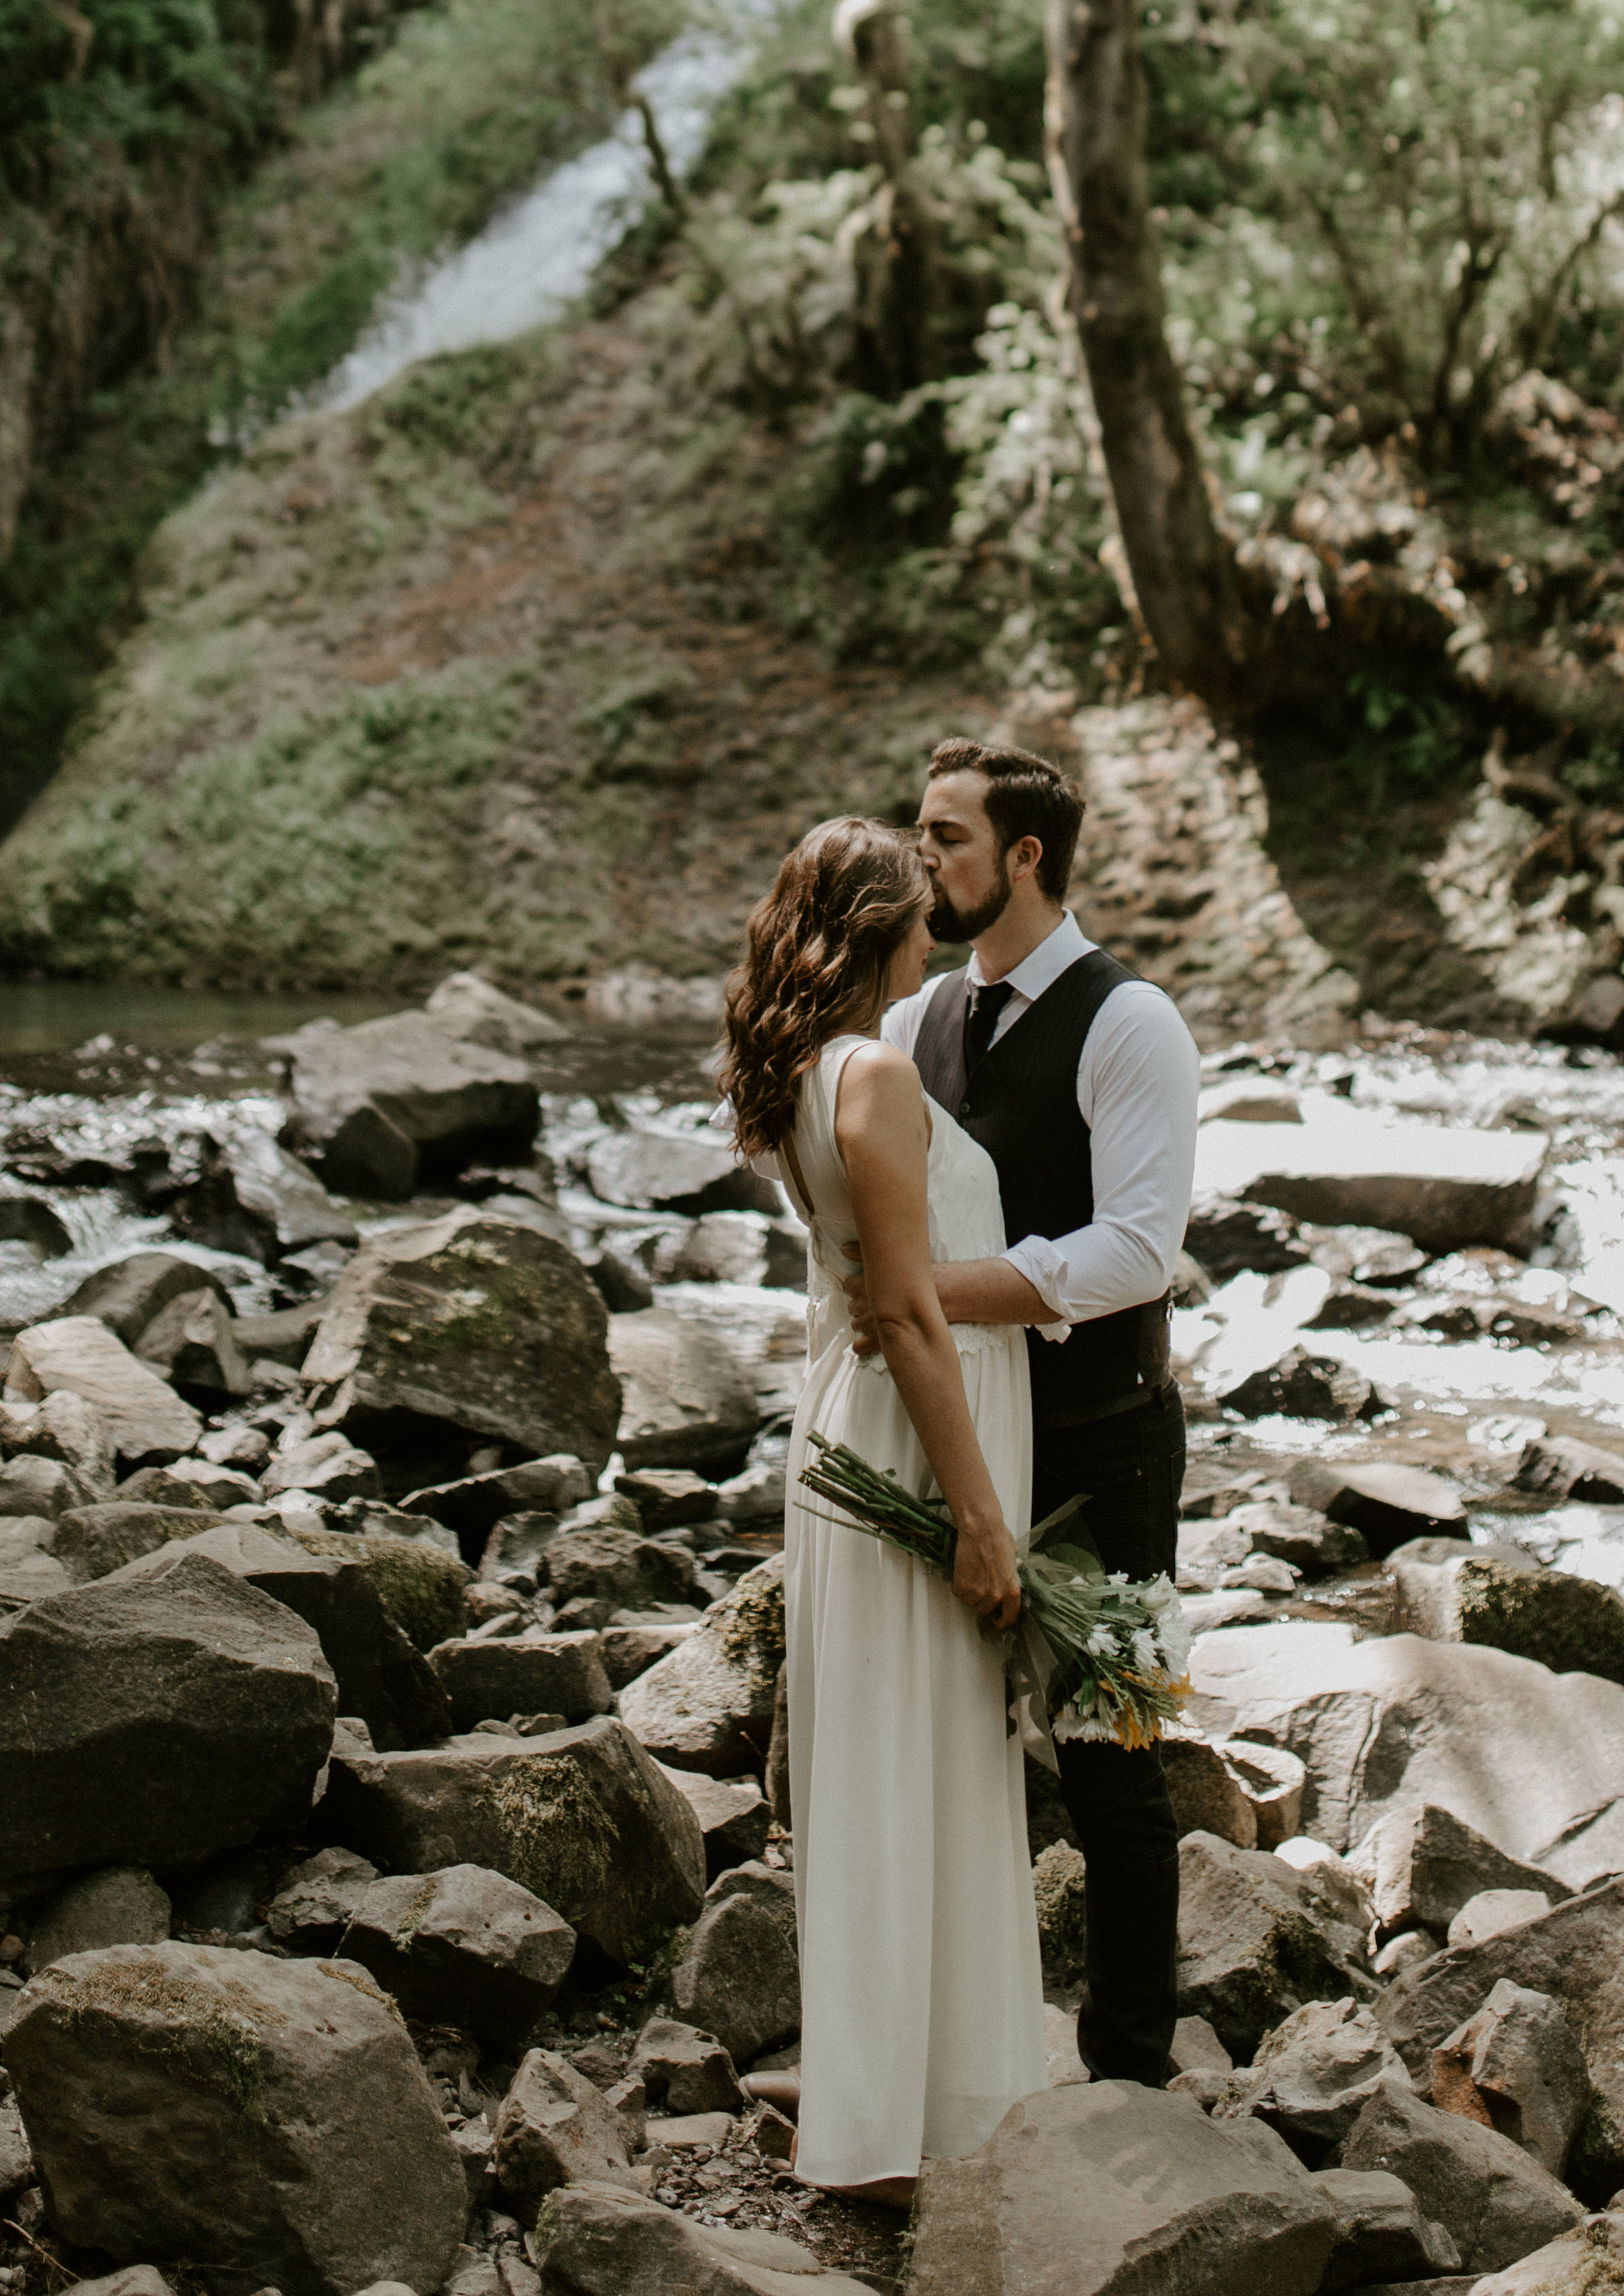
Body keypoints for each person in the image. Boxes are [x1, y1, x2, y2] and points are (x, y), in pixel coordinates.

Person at [855, 738, 1200, 2090]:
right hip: (953, 1444)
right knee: (938, 1753)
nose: (919, 859)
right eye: (921, 831)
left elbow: (1137, 1255)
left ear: (1026, 858)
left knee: (1116, 1757)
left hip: (1111, 1452)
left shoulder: (1133, 1023)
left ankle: (1129, 2074)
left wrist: (928, 1294)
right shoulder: (908, 1025)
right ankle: (947, 2053)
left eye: (945, 837)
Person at [717, 815, 1050, 2205]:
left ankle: (907, 2092)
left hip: (864, 1432)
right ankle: (900, 2125)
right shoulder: (874, 1079)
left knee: (891, 1762)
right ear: (871, 933)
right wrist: (979, 1516)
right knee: (919, 1761)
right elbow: (910, 1316)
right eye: (917, 915)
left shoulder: (803, 1068)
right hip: (915, 1442)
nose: (936, 933)